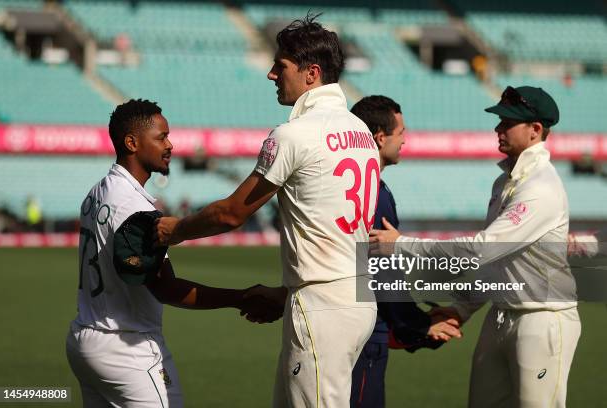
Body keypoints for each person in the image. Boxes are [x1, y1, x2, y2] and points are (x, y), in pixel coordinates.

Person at [155, 15, 382, 407]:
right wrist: (286, 292)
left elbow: (231, 213)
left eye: (281, 66)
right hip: (356, 296)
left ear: (311, 73)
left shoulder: (293, 133)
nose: (271, 74)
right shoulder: (362, 131)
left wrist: (173, 230)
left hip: (322, 305)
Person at [371, 86, 580, 407]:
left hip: (542, 319)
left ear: (536, 130)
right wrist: (461, 308)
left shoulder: (541, 188)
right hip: (501, 317)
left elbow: (481, 250)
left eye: (508, 122)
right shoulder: (506, 182)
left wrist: (401, 246)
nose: (498, 128)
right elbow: (493, 264)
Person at [65, 99, 281, 408]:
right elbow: (166, 288)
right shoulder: (134, 206)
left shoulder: (97, 192)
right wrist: (241, 297)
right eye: (161, 137)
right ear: (132, 143)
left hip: (85, 337)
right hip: (127, 345)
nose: (170, 145)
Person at [348, 96, 461, 408]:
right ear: (380, 137)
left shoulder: (351, 185)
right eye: (401, 133)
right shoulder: (373, 192)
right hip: (364, 337)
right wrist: (419, 326)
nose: (405, 140)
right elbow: (381, 274)